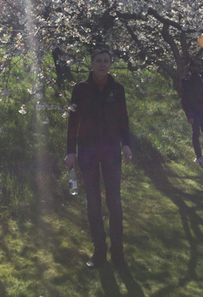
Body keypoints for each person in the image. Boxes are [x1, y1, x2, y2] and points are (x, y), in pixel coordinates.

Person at [65, 44, 132, 270]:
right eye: (98, 60)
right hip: (87, 150)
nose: (102, 64)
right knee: (93, 201)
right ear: (91, 64)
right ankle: (99, 250)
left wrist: (127, 145)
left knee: (114, 200)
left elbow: (124, 118)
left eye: (106, 60)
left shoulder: (118, 88)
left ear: (110, 65)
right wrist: (70, 151)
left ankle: (118, 253)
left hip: (112, 149)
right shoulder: (81, 89)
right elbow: (73, 121)